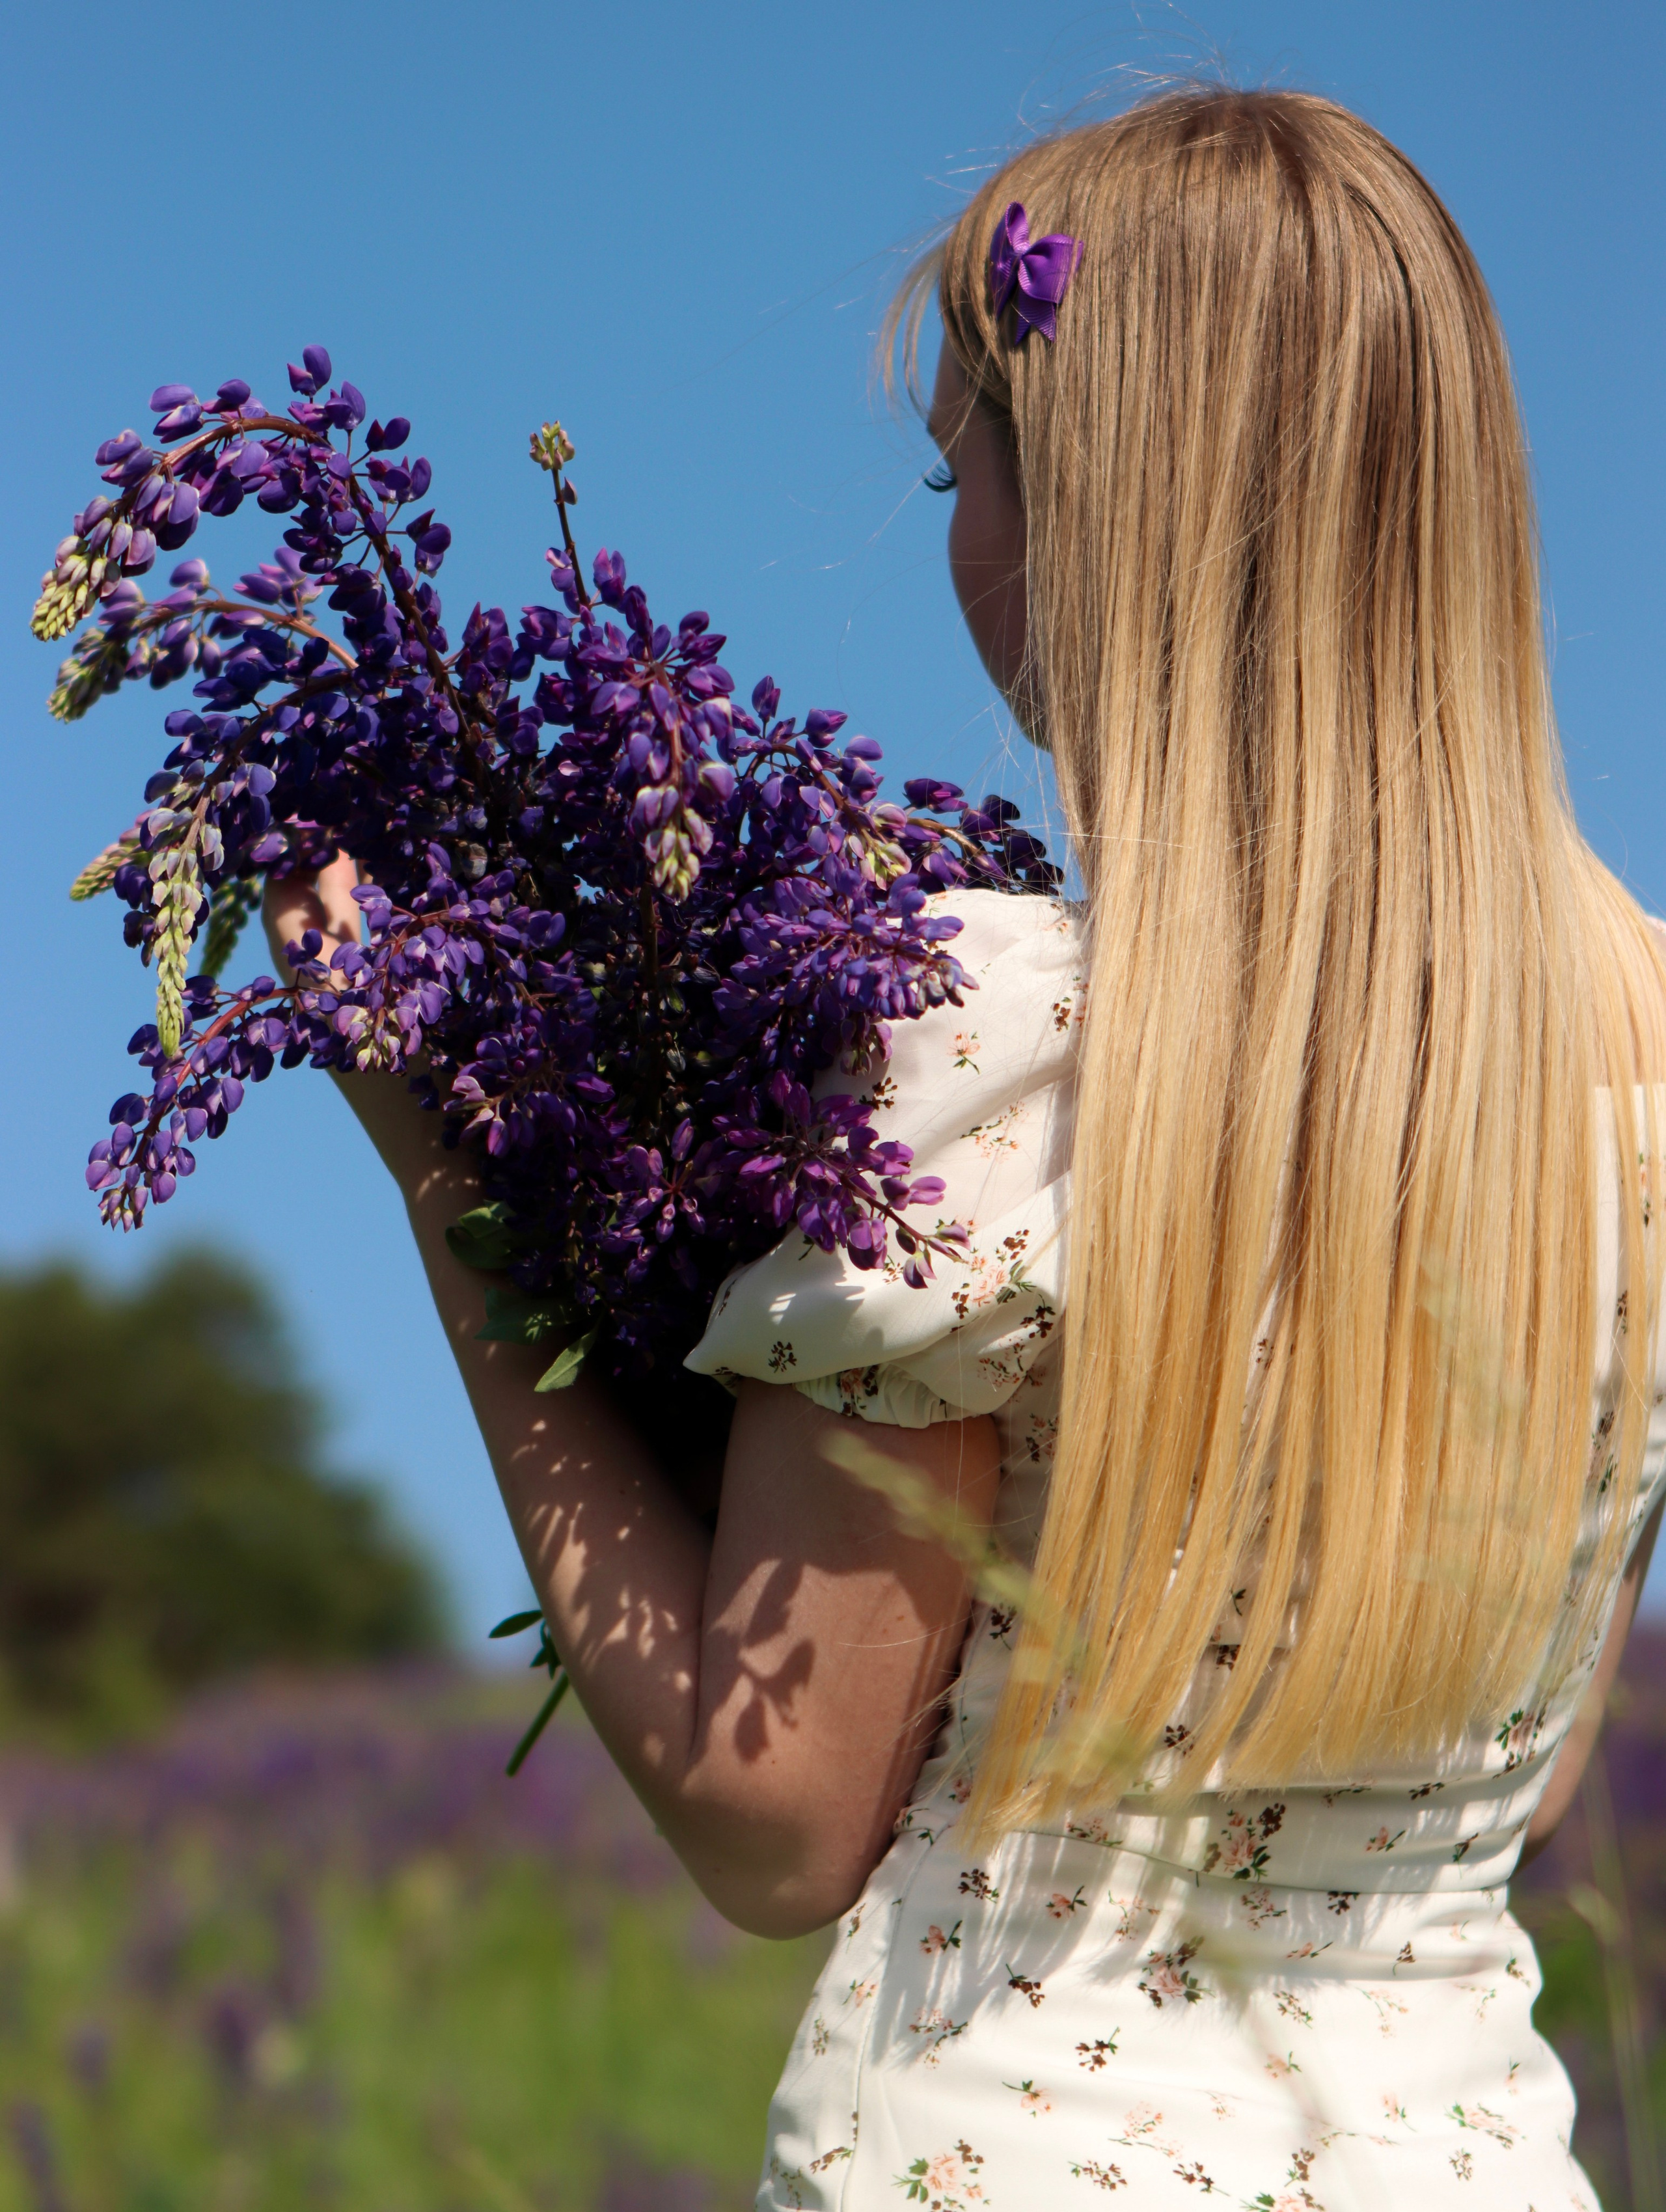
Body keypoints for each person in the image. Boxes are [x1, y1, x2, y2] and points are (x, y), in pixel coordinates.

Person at [267, 86, 1665, 2211]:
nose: (953, 539)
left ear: (1094, 502)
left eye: (962, 464)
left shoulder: (998, 1031)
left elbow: (776, 1811)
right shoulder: (1638, 1069)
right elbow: (1527, 1773)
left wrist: (449, 1182)